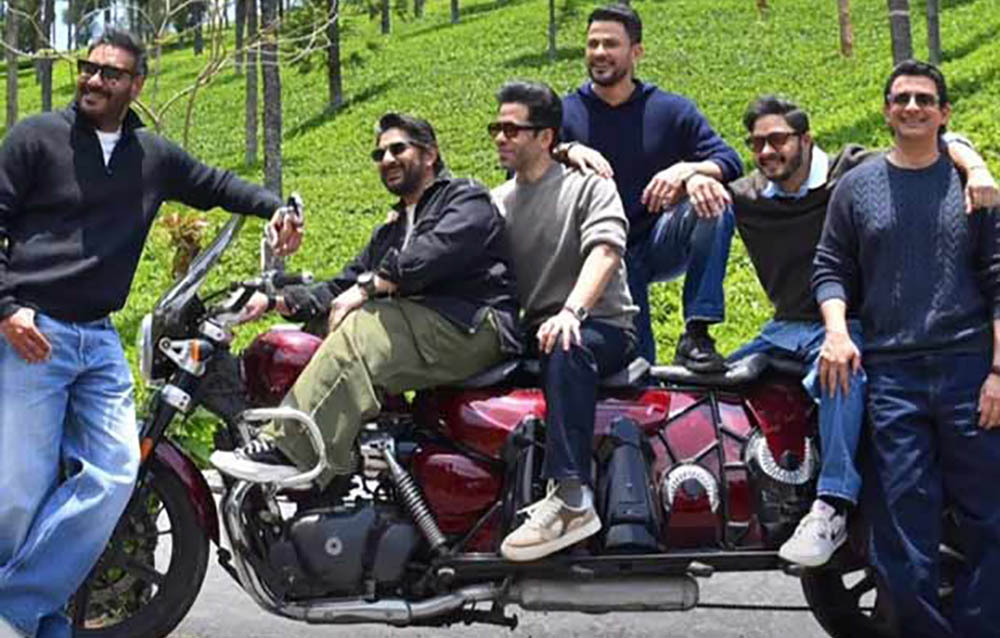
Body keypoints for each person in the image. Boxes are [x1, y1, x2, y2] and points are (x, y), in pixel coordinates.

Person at [0, 29, 302, 638]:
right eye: (87, 68)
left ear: (136, 85)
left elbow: (218, 185)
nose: (93, 80)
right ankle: (33, 621)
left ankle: (14, 610)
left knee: (116, 474)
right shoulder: (35, 137)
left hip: (98, 339)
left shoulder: (152, 157)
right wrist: (7, 306)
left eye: (110, 73)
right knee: (20, 493)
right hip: (33, 333)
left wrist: (276, 207)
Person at [724, 96, 998, 567]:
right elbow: (709, 184)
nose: (767, 151)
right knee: (714, 388)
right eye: (757, 143)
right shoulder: (750, 193)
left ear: (806, 139)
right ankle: (746, 498)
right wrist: (694, 174)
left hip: (848, 322)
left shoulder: (853, 171)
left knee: (841, 370)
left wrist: (974, 166)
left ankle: (832, 503)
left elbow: (929, 142)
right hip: (783, 327)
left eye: (778, 140)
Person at [211, 112, 521, 490]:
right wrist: (273, 301)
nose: (387, 159)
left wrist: (368, 288)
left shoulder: (465, 197)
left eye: (398, 149)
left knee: (361, 329)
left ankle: (290, 452)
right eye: (379, 154)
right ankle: (335, 478)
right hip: (424, 329)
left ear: (430, 154)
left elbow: (434, 253)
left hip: (474, 326)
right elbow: (340, 285)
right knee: (316, 330)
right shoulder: (392, 229)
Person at [813, 60, 1000, 637]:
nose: (912, 107)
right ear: (886, 111)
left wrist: (998, 372)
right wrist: (837, 331)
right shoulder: (856, 188)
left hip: (969, 369)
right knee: (899, 527)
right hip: (892, 374)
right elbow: (830, 267)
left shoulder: (974, 188)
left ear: (945, 113)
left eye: (924, 99)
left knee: (991, 517)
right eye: (902, 99)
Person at [488, 81, 637, 561]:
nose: (500, 137)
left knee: (566, 343)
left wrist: (573, 311)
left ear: (546, 136)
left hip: (601, 324)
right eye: (496, 128)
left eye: (512, 129)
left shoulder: (589, 185)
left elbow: (606, 251)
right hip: (536, 327)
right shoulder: (498, 201)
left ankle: (572, 498)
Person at [557, 2, 741, 370]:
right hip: (599, 250)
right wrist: (566, 150)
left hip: (658, 240)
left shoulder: (671, 110)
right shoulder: (563, 113)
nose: (599, 52)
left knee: (714, 198)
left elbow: (729, 160)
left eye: (611, 44)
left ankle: (697, 332)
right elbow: (524, 171)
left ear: (636, 51)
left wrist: (689, 171)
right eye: (592, 44)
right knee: (637, 363)